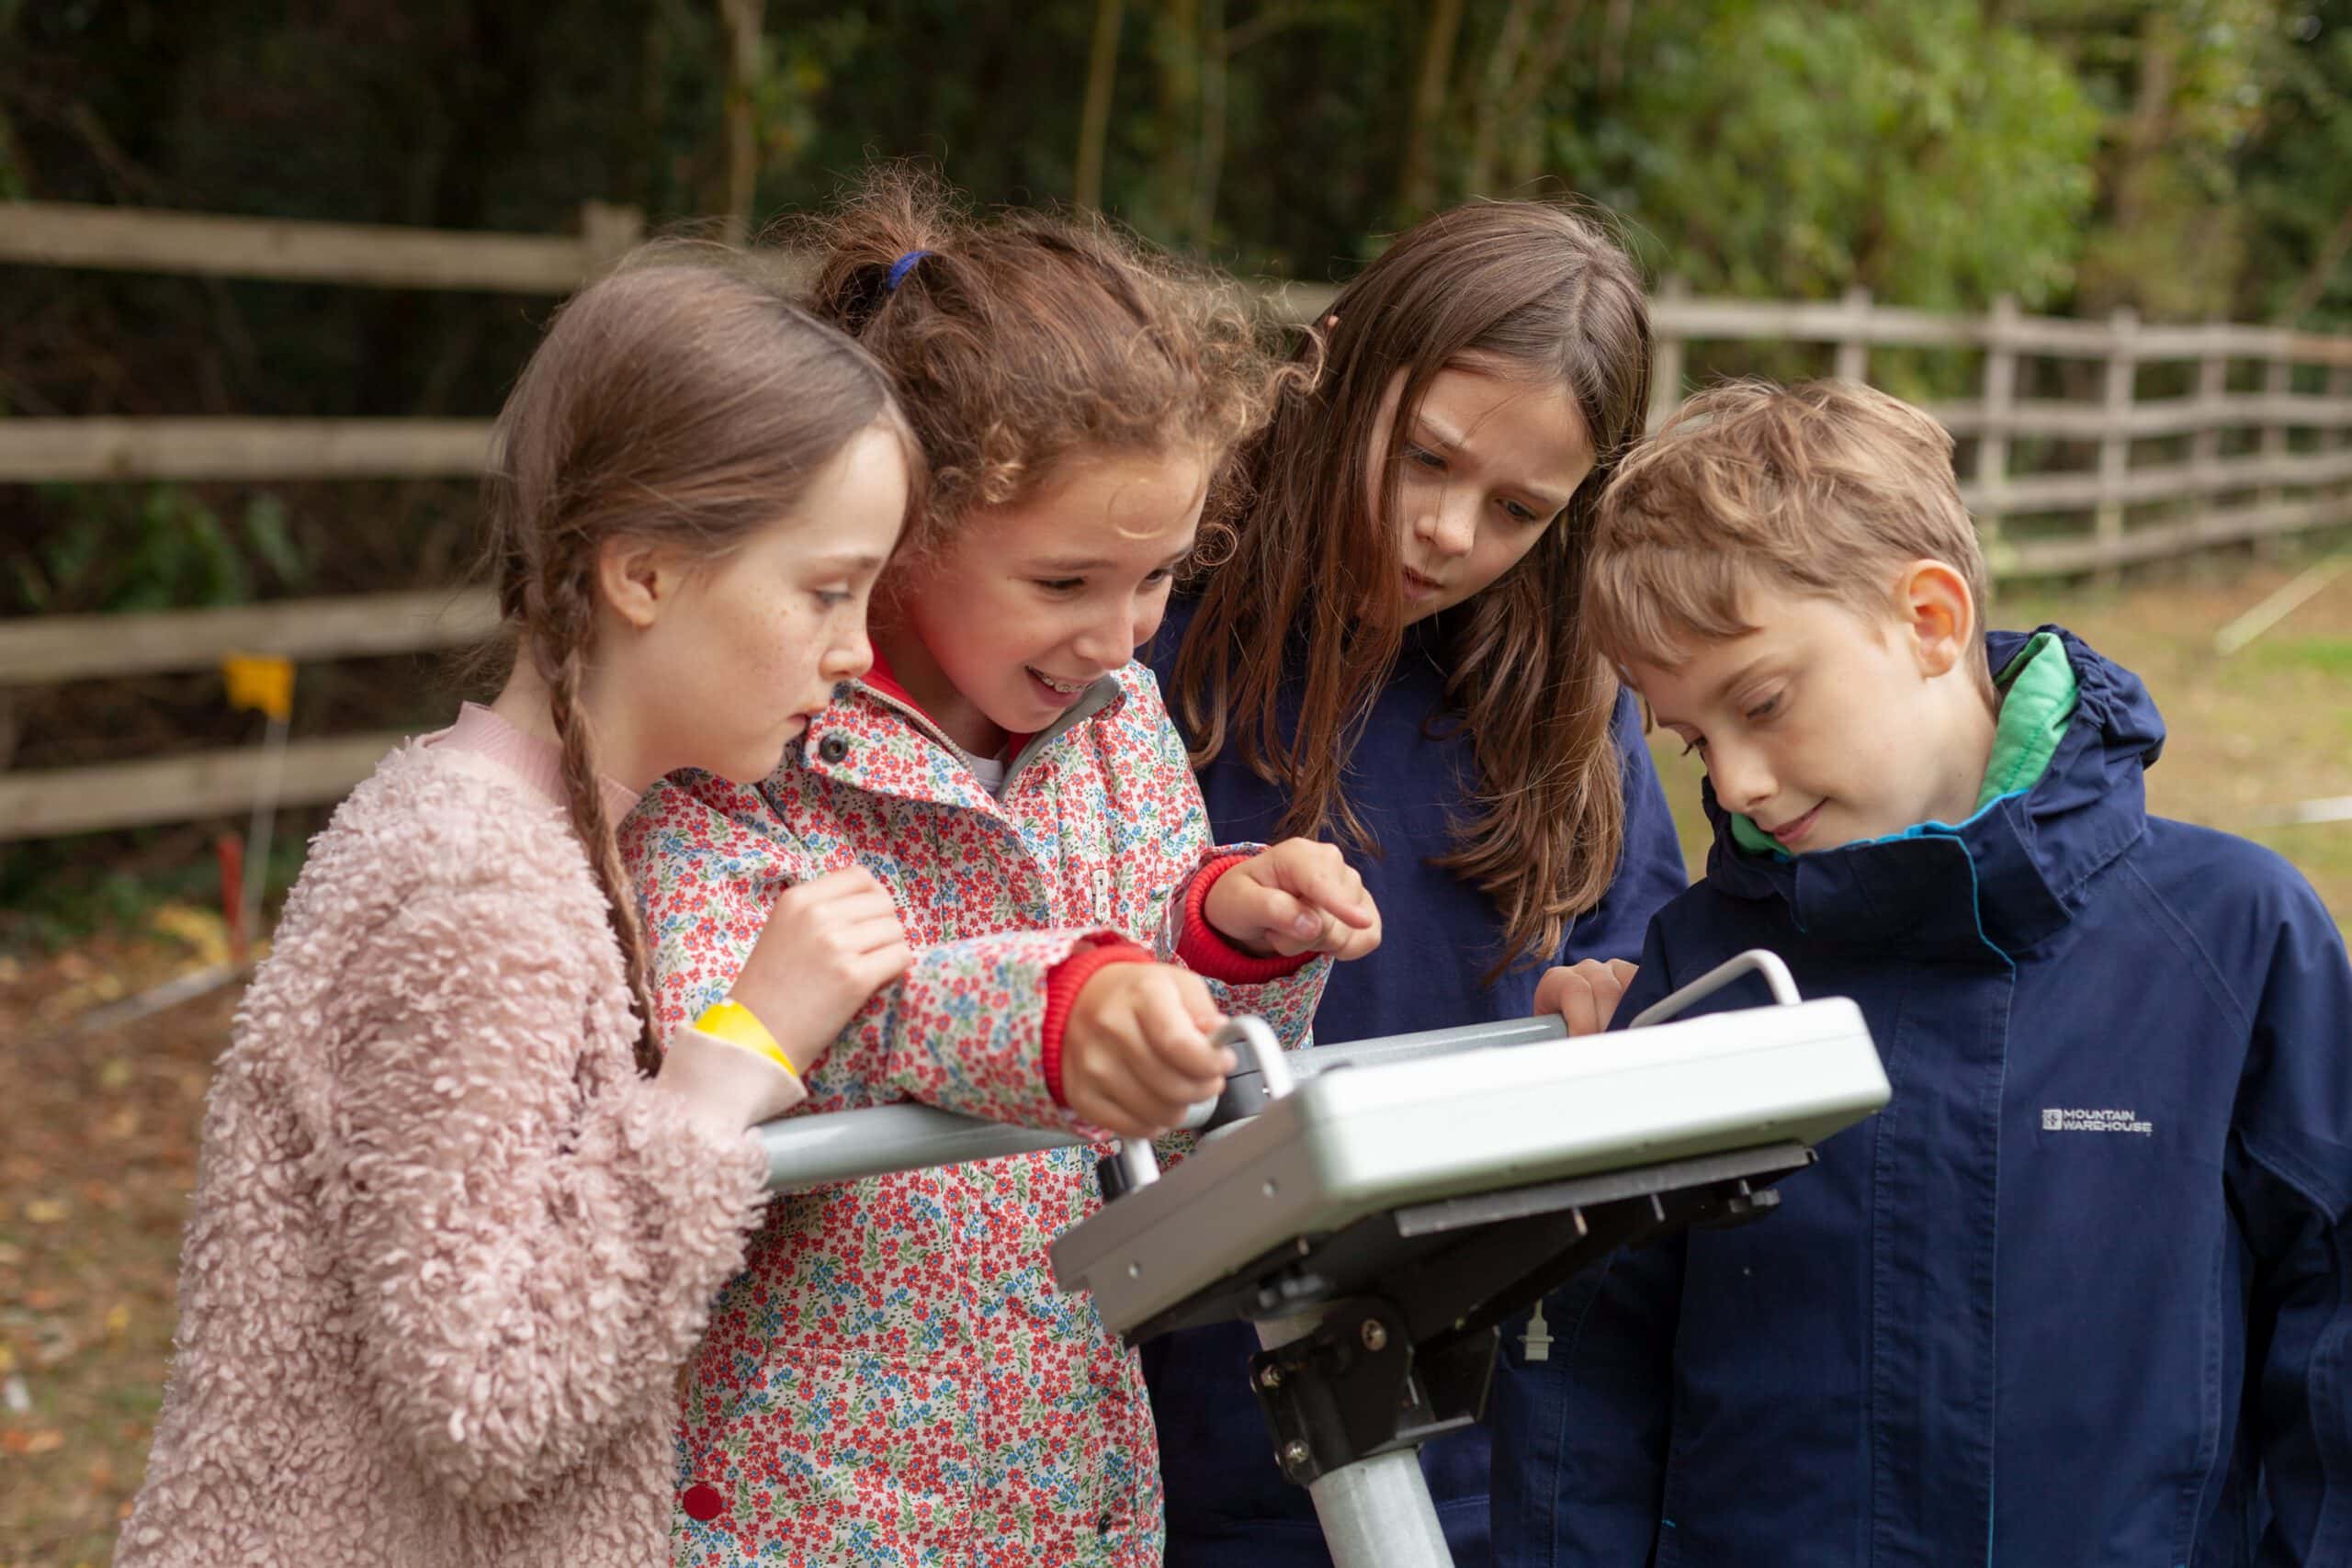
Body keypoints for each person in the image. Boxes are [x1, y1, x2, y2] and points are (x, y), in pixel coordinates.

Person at [116, 254, 925, 1567]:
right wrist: (725, 1081)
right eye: (828, 590)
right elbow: (490, 1396)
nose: (856, 649)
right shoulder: (476, 891)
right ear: (645, 574)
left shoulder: (546, 840)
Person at [623, 169, 1382, 1566]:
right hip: (815, 1485)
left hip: (1072, 1458)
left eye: (1155, 580)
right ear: (906, 528)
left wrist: (1227, 934)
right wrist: (1049, 1013)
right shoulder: (762, 734)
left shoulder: (1114, 724)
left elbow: (1168, 1016)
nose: (1121, 633)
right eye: (1066, 582)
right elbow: (732, 1030)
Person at [1490, 378, 2352, 1567]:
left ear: (1931, 622)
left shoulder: (2240, 937)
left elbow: (2331, 1344)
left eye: (1764, 704)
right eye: (1694, 740)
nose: (1732, 784)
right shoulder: (1704, 972)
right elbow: (1590, 1377)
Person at [1142, 197, 1692, 1568]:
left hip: (1480, 1451)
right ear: (1339, 368)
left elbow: (1647, 975)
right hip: (1177, 1435)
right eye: (1425, 458)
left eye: (1517, 508)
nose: (1447, 533)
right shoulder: (1143, 627)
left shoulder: (1572, 708)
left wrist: (1620, 1000)